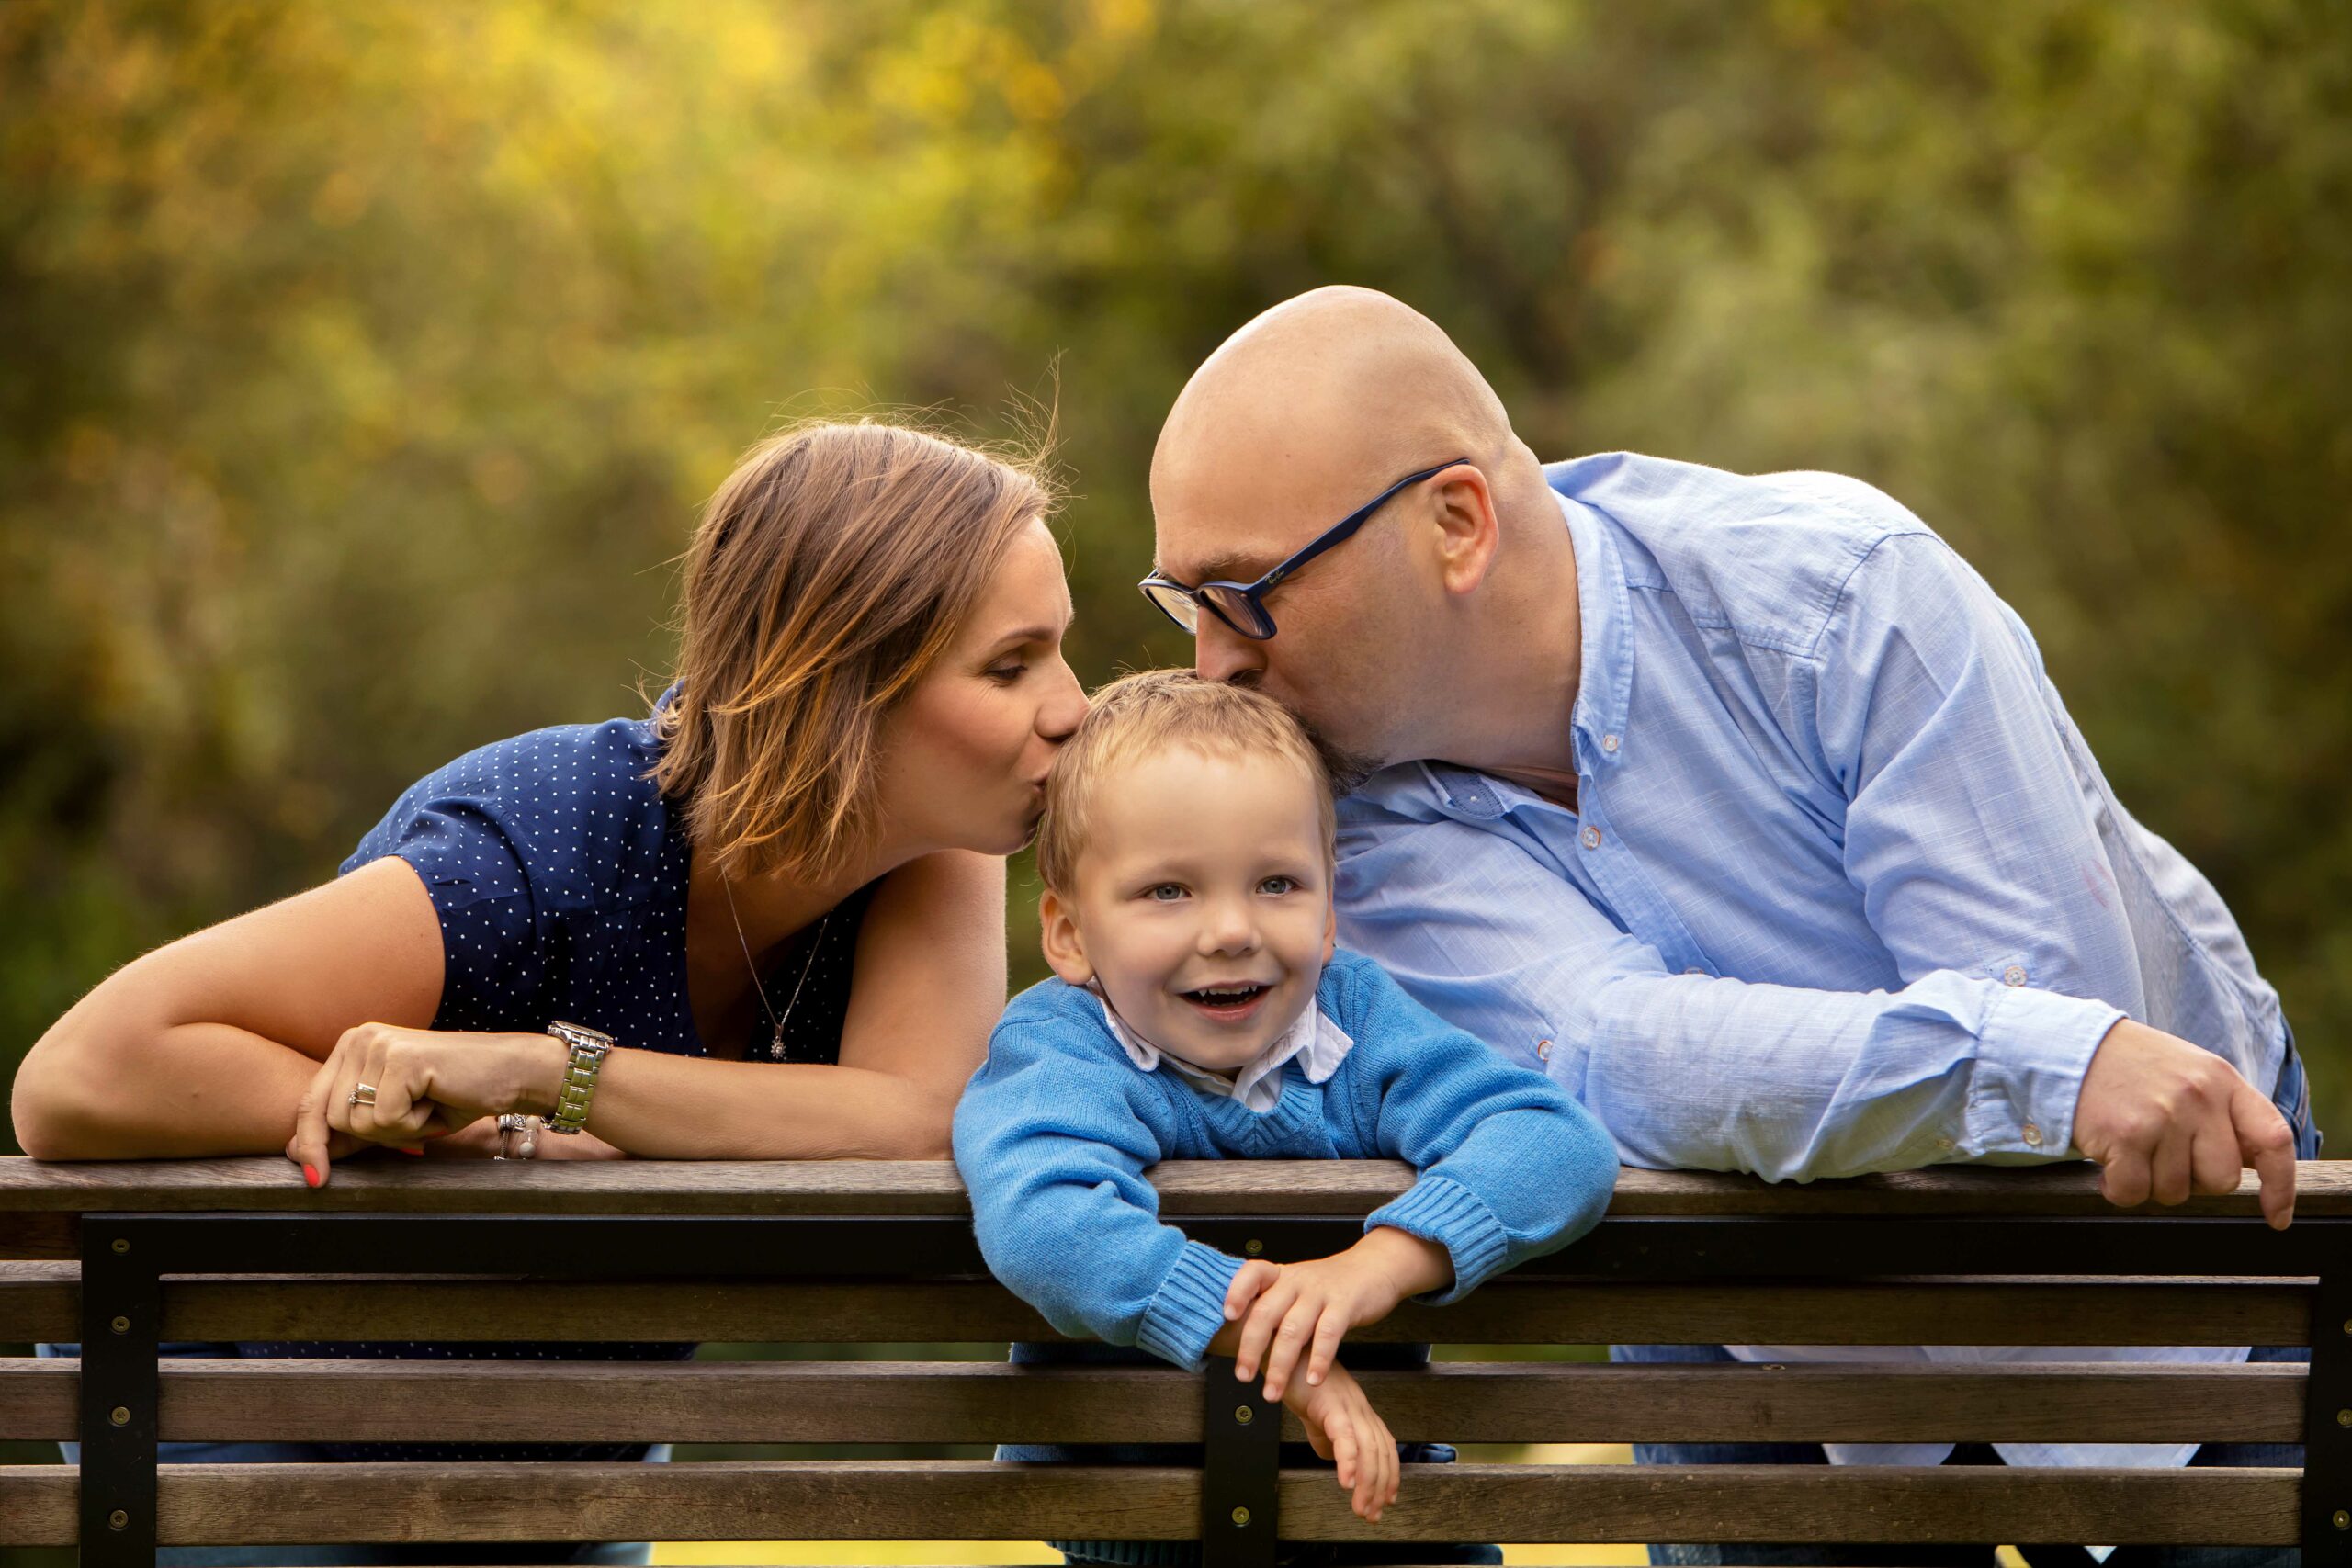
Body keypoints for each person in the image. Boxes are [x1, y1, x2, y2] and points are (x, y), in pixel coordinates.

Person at [1141, 287, 2318, 1568]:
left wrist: (2049, 1056)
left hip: (2156, 1268)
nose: (1215, 661)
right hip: (1762, 1329)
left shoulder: (1839, 592)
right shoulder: (1331, 829)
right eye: (1182, 600)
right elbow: (1623, 1059)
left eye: (1245, 592)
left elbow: (2057, 1011)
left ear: (1457, 523)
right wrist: (2036, 1059)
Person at [10, 419, 1088, 1567]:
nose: (1073, 706)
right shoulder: (535, 847)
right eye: (1011, 665)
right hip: (249, 1444)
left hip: (564, 1468)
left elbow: (916, 1116)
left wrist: (546, 1075)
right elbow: (79, 1076)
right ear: (838, 684)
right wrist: (449, 1122)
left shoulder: (938, 843)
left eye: (1062, 651)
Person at [955, 669, 1618, 1558]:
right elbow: (1047, 1222)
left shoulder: (1361, 1024)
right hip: (1147, 1536)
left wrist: (1373, 1268)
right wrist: (1288, 1350)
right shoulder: (1061, 1048)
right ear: (1069, 934)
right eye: (1167, 891)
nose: (1231, 929)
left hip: (1385, 1525)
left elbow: (1552, 1142)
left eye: (1275, 884)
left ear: (1330, 913)